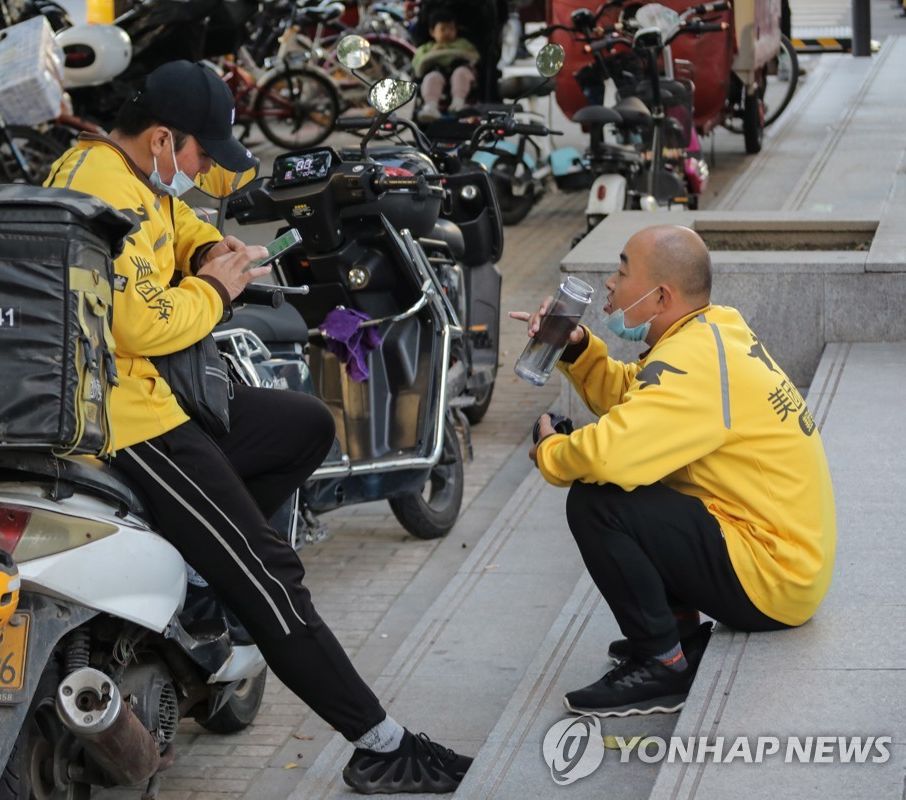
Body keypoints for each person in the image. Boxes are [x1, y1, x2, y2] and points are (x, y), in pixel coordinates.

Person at [44, 60, 474, 794]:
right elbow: (141, 323)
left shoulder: (126, 174)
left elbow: (180, 226)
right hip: (127, 423)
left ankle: (198, 581)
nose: (204, 170)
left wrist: (209, 251)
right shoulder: (98, 188)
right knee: (270, 575)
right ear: (160, 139)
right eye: (200, 155)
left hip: (157, 401)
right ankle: (379, 743)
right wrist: (216, 288)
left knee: (304, 425)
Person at [510, 224, 836, 718]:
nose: (610, 284)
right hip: (784, 560)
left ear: (660, 295)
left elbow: (605, 455)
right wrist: (577, 348)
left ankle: (662, 662)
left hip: (774, 577)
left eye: (622, 270)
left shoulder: (696, 362)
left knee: (599, 501)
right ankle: (680, 634)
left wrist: (551, 450)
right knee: (637, 477)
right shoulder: (711, 330)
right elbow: (641, 398)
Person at [412, 7, 481, 122]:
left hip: (460, 72)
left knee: (461, 73)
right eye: (443, 29)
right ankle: (430, 106)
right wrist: (432, 54)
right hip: (436, 72)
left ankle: (458, 103)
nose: (448, 32)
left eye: (451, 29)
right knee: (431, 77)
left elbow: (474, 56)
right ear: (432, 32)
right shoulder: (427, 48)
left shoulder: (462, 44)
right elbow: (417, 64)